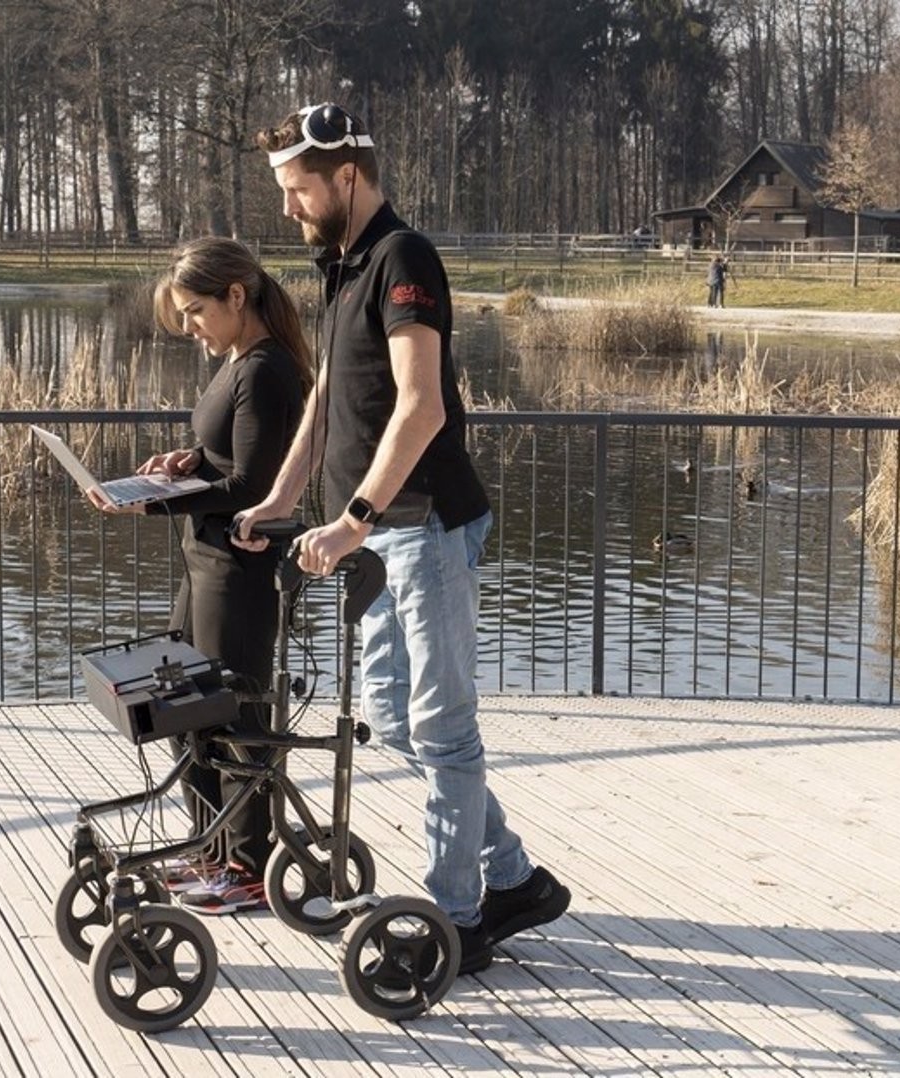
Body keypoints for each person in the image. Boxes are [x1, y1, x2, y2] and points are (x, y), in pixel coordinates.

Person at [233, 101, 570, 974]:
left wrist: (353, 521)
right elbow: (328, 402)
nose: (288, 207)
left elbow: (421, 407)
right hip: (378, 534)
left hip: (422, 524)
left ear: (346, 176)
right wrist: (282, 498)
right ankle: (514, 878)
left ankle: (456, 923)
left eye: (297, 189)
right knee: (394, 716)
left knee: (445, 729)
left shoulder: (404, 260)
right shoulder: (345, 267)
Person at [88, 235, 313, 915]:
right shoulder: (240, 362)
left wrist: (152, 497)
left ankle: (247, 865)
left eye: (194, 312)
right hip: (204, 563)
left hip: (238, 574)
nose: (189, 327)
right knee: (190, 712)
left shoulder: (268, 369)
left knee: (236, 714)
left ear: (235, 297)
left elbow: (253, 483)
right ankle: (211, 847)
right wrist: (186, 463)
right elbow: (226, 461)